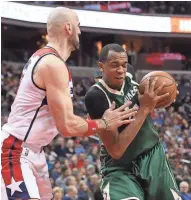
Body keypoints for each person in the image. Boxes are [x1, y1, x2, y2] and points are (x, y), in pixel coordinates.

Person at [1, 8, 136, 200]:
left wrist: (90, 121)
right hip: (15, 150)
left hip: (34, 151)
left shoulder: (47, 59)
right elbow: (66, 126)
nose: (80, 32)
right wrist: (104, 123)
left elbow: (61, 119)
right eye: (78, 26)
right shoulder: (52, 64)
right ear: (69, 28)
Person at [85, 43, 181, 200]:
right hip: (120, 166)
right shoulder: (96, 97)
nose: (121, 70)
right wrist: (144, 109)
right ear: (101, 66)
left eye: (124, 64)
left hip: (152, 155)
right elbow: (116, 150)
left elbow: (148, 100)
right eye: (114, 65)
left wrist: (165, 94)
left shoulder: (131, 74)